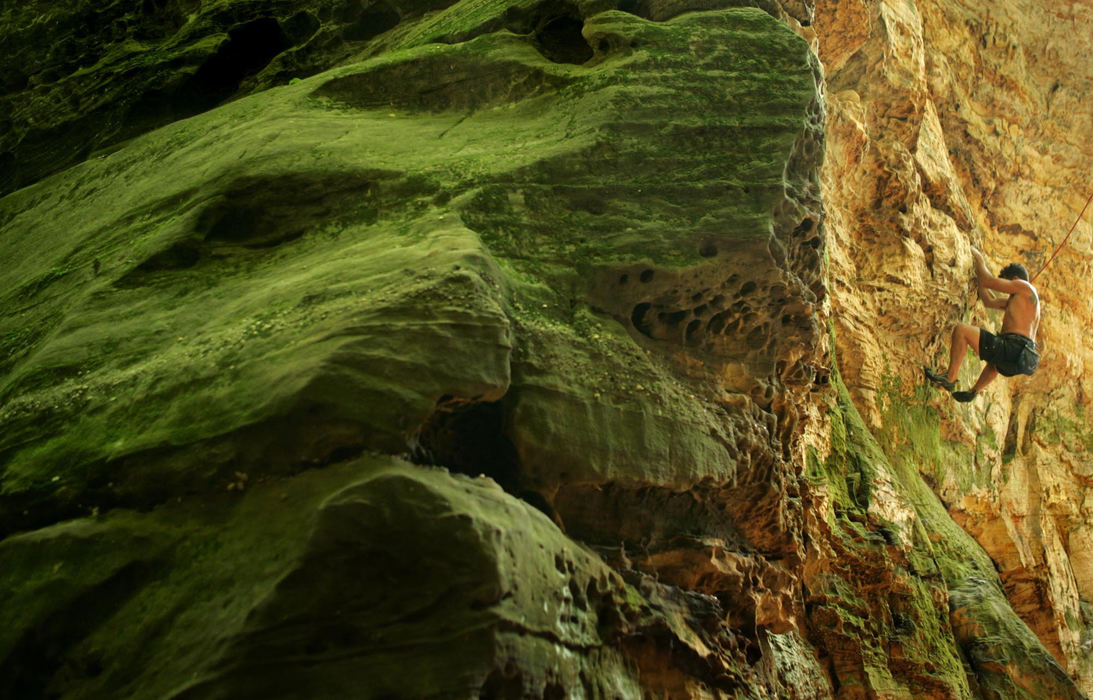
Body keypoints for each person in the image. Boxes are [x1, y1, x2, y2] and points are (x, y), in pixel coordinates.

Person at [924, 247, 1041, 402]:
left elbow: (989, 281)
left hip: (1014, 347)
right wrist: (977, 280)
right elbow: (989, 301)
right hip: (1021, 358)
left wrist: (978, 258)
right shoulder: (1023, 303)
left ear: (1014, 279)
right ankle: (974, 391)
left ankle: (950, 379)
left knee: (961, 330)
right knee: (995, 363)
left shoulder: (1023, 286)